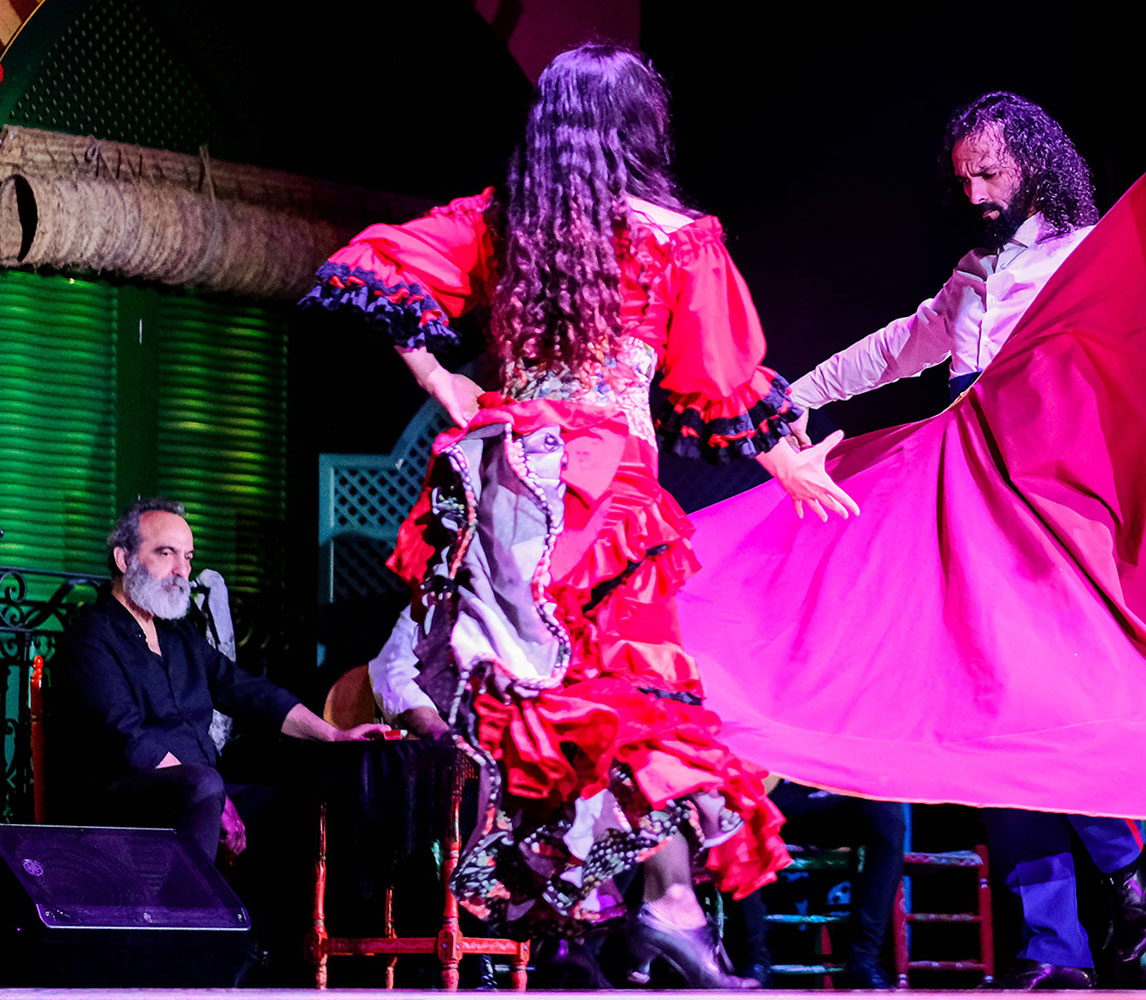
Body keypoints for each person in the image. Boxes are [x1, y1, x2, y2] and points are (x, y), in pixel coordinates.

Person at [302, 43, 857, 989]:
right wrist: (784, 460)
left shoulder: (508, 221)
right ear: (640, 129)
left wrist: (450, 384)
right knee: (636, 700)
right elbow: (719, 382)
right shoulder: (674, 238)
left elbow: (374, 264)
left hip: (511, 487)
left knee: (553, 710)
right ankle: (664, 909)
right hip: (607, 497)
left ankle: (588, 932)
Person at [782, 92, 1146, 989]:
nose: (975, 193)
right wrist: (794, 396)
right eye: (963, 178)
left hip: (1053, 491)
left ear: (1032, 164)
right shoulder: (971, 274)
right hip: (967, 497)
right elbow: (899, 348)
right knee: (998, 720)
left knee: (1052, 695)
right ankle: (1054, 950)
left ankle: (1119, 858)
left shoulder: (1088, 252)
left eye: (990, 173)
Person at [51, 497, 389, 863]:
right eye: (166, 553)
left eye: (189, 556)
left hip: (201, 793)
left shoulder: (178, 636)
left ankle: (279, 920)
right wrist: (216, 797)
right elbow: (128, 739)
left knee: (302, 800)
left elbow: (246, 691)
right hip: (126, 799)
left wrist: (333, 735)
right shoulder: (91, 637)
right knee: (206, 784)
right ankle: (189, 916)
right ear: (124, 559)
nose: (182, 570)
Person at [726, 783, 905, 989]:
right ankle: (754, 962)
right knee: (738, 809)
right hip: (776, 792)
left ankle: (864, 961)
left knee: (889, 816)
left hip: (841, 793)